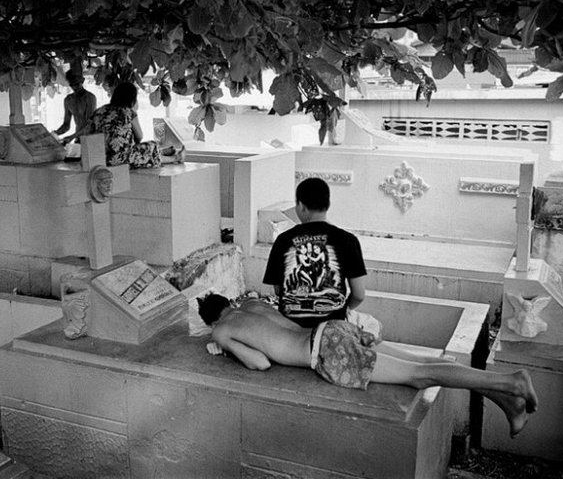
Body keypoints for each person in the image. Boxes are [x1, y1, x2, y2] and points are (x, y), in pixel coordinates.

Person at [197, 293, 538, 438]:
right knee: (424, 362)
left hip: (325, 351)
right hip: (333, 328)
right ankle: (506, 398)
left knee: (420, 376)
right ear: (229, 302)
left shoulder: (222, 329)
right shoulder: (252, 303)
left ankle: (512, 383)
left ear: (211, 321)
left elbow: (259, 363)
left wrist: (226, 347)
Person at [264, 177, 367, 328]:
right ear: (328, 204)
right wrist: (343, 310)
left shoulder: (283, 240)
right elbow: (359, 295)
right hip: (330, 331)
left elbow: (279, 290)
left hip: (290, 331)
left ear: (301, 206)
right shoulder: (348, 240)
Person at [78, 82, 183, 169]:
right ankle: (176, 158)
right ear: (132, 98)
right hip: (120, 160)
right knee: (152, 145)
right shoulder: (128, 112)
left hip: (97, 158)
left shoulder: (100, 110)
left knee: (140, 150)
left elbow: (87, 131)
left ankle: (163, 151)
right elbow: (139, 136)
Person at [53, 70, 97, 144]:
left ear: (82, 80)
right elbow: (66, 125)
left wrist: (72, 137)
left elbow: (89, 125)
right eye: (71, 85)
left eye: (76, 84)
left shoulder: (89, 98)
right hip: (78, 138)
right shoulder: (68, 100)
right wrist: (54, 134)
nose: (74, 87)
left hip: (90, 139)